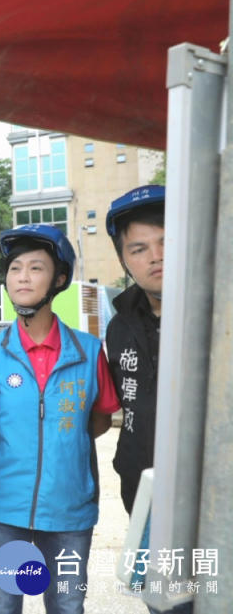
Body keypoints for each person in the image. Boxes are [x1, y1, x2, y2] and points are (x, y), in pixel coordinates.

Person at [0, 223, 121, 614]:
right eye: (15, 268)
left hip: (69, 508)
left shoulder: (88, 352)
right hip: (3, 507)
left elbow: (101, 419)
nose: (22, 277)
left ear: (59, 279)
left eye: (35, 268)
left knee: (68, 605)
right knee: (3, 606)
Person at [105, 186, 187, 614]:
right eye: (139, 248)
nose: (155, 256)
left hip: (208, 499)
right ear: (124, 260)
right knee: (162, 603)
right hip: (145, 497)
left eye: (166, 242)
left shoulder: (218, 312)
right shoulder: (119, 326)